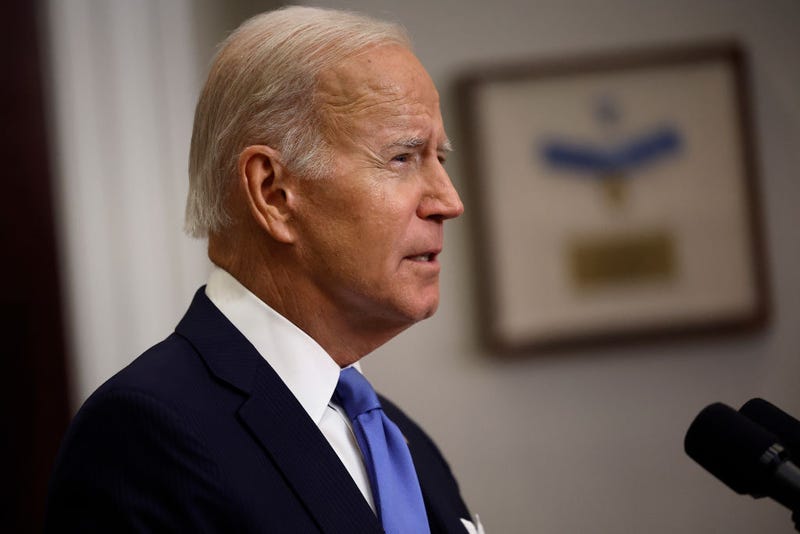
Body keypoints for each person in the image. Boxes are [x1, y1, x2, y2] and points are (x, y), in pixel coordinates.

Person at [45, 6, 481, 533]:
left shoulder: (404, 443)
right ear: (273, 192)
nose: (448, 201)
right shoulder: (143, 436)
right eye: (403, 158)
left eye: (441, 158)